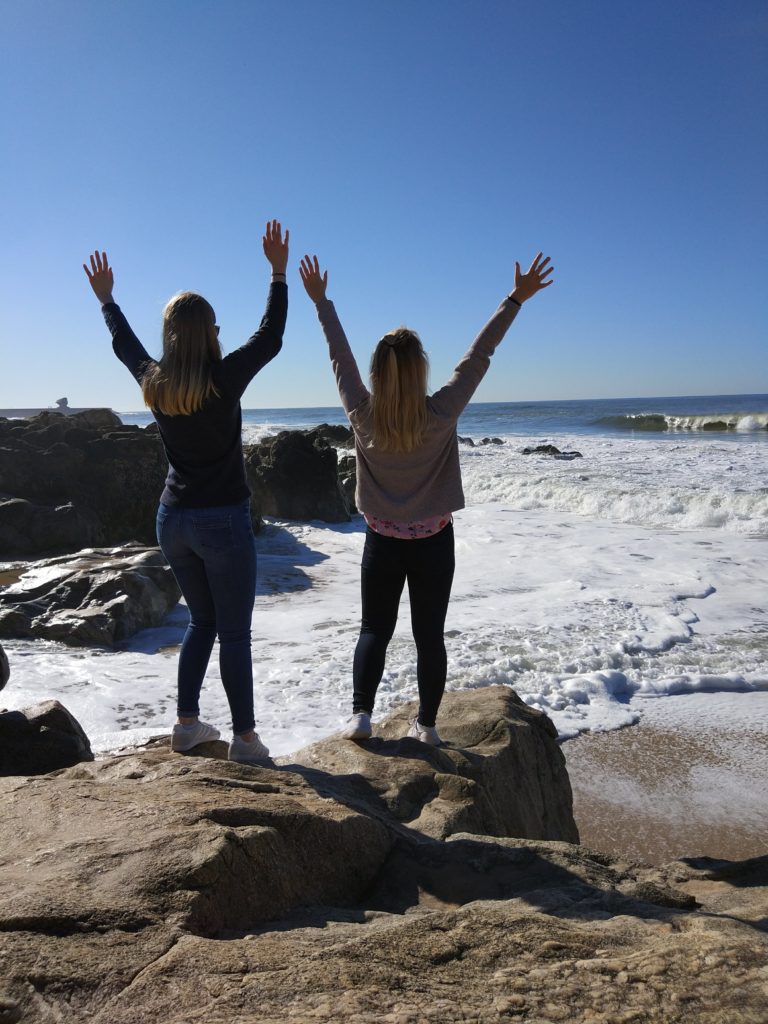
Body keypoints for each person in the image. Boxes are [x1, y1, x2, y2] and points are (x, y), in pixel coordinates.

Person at [299, 250, 553, 744]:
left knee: (374, 628)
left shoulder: (362, 413)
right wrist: (515, 299)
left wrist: (322, 303)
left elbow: (338, 355)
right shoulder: (441, 412)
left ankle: (360, 716)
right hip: (434, 541)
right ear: (420, 372)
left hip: (382, 541)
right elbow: (479, 357)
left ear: (376, 374)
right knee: (428, 637)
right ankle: (428, 727)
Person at [83, 221, 289, 762]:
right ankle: (245, 741)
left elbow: (124, 344)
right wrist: (277, 272)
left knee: (202, 621)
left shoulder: (155, 381)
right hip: (221, 520)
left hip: (171, 520)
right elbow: (270, 337)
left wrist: (107, 300)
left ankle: (186, 725)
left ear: (171, 335)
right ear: (210, 333)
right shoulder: (224, 379)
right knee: (234, 632)